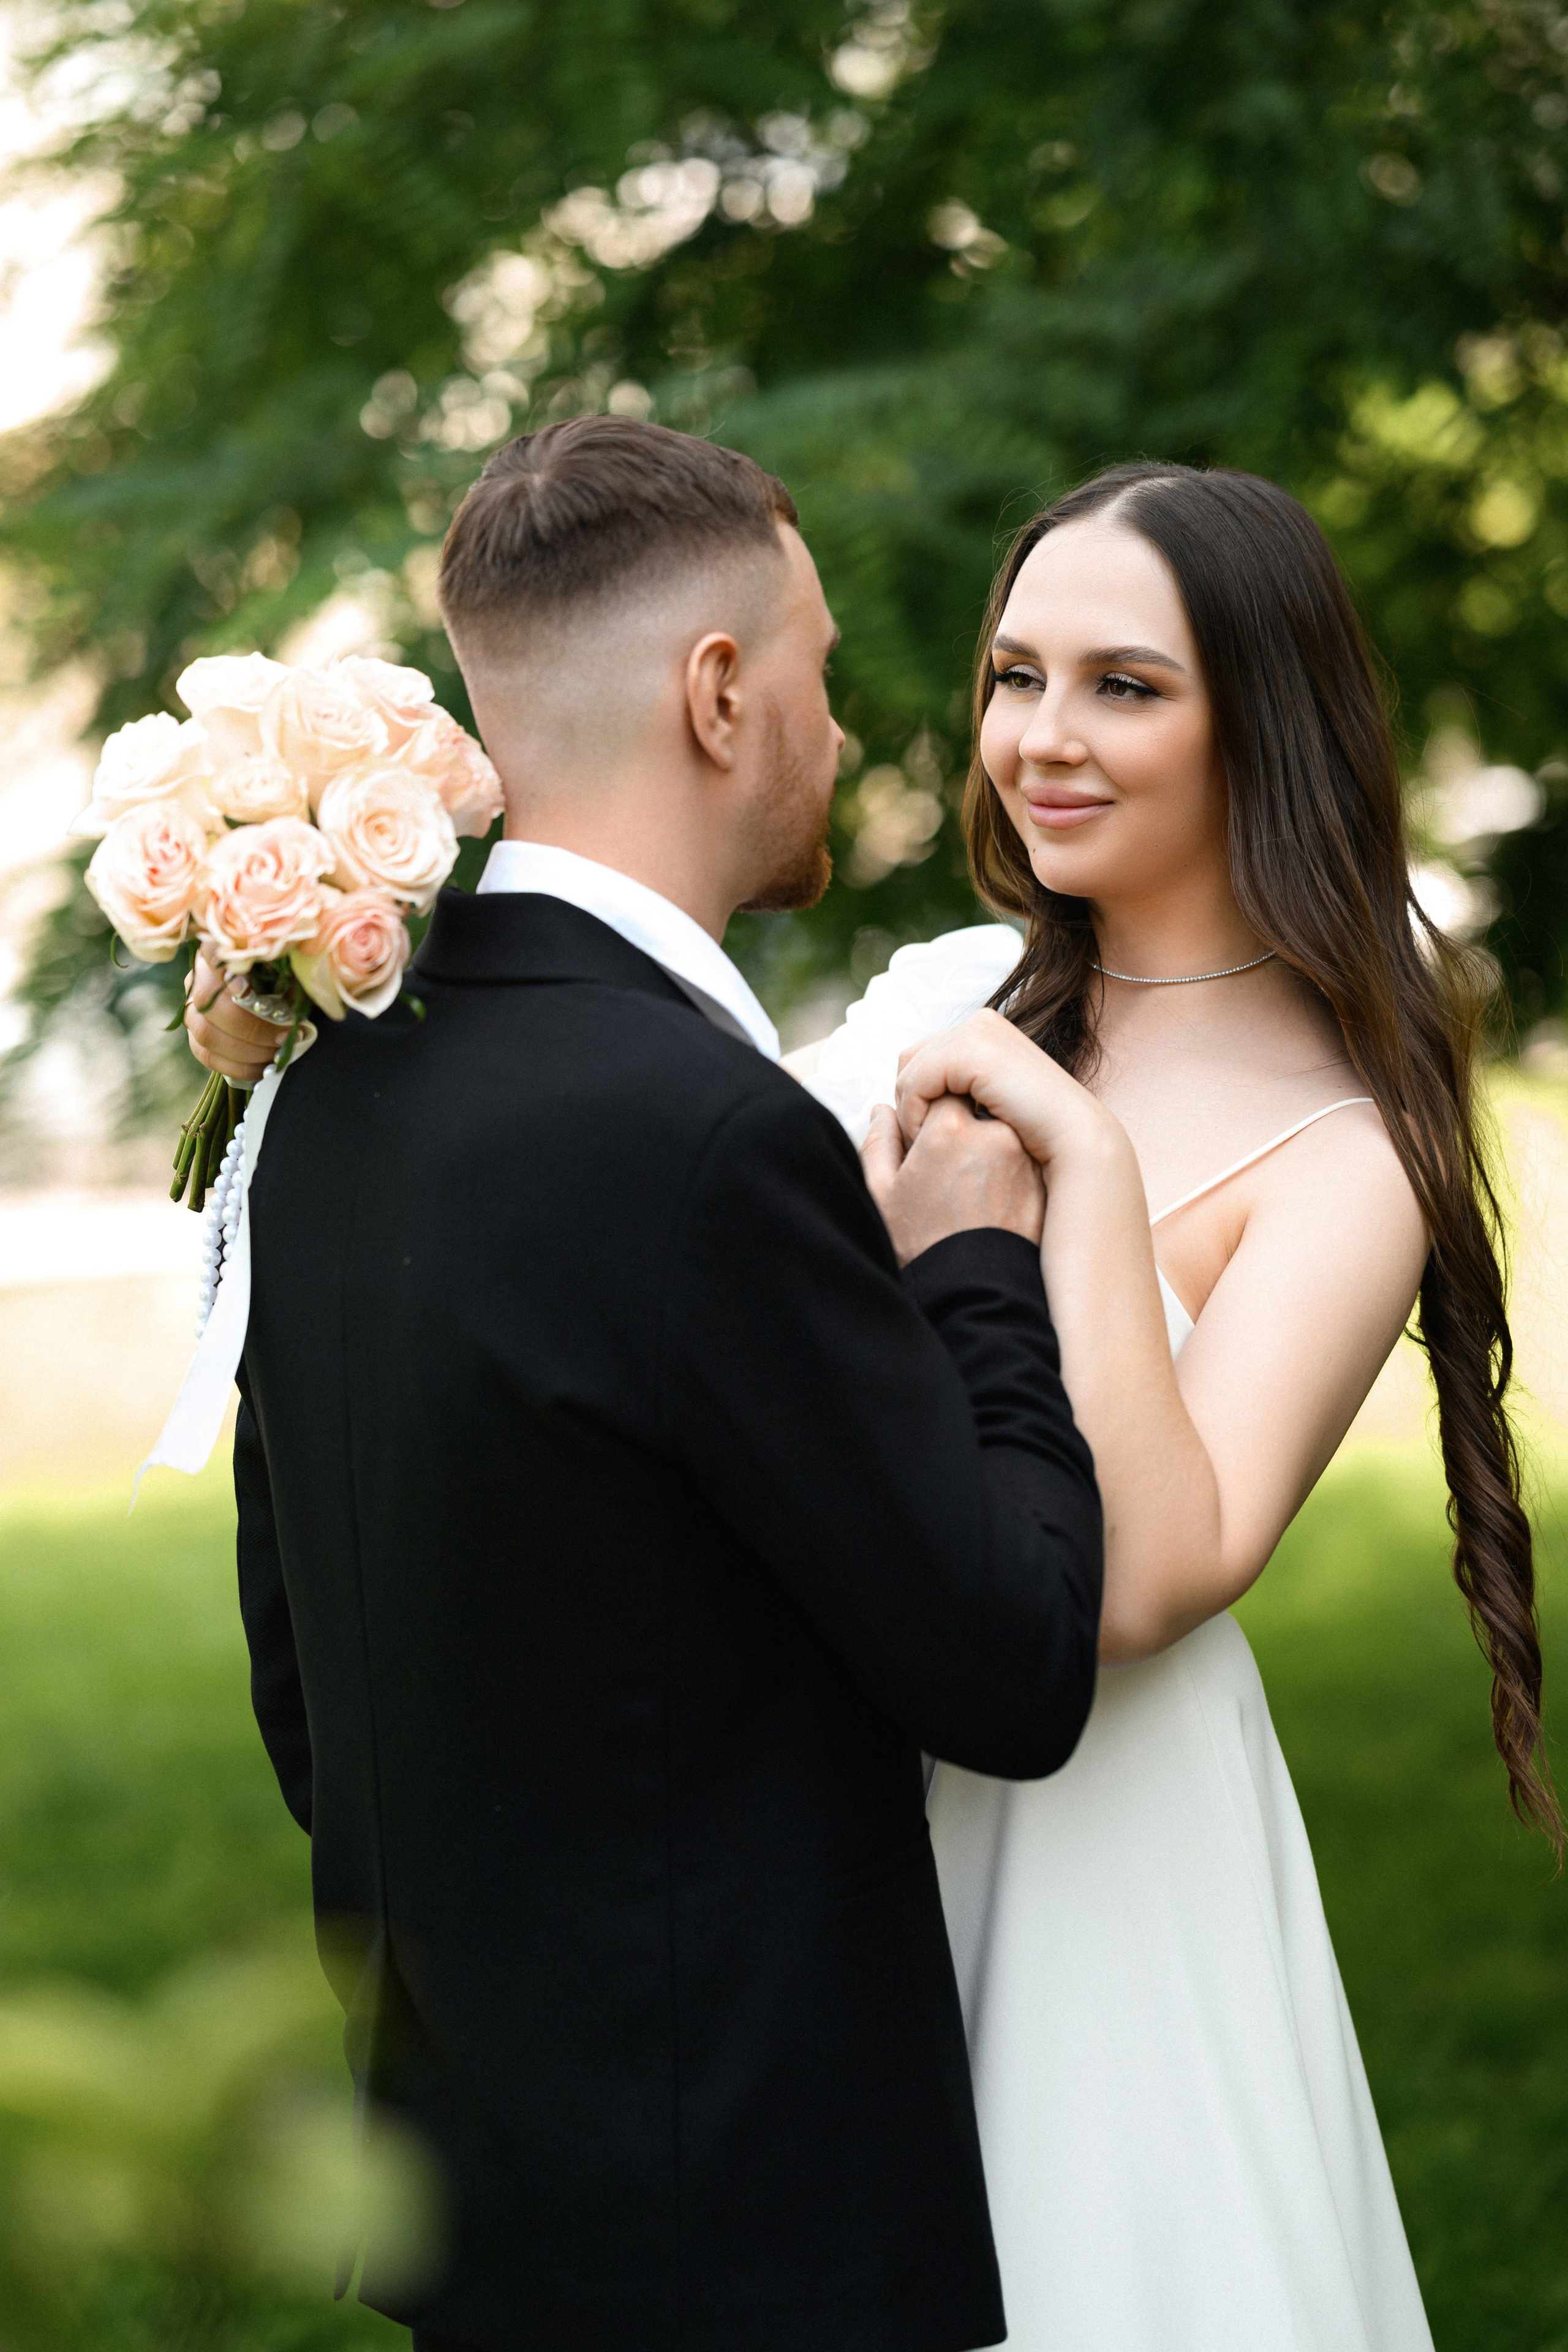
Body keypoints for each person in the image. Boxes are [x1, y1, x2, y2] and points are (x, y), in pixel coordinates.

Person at [187, 418, 1104, 2352]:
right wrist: (975, 1267)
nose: (843, 737)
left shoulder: (322, 1089)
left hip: (482, 2219)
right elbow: (1013, 1662)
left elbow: (309, 1692)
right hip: (746, 2236)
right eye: (825, 675)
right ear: (718, 692)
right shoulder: (705, 1137)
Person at [792, 461, 1558, 2350]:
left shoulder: (1348, 1145)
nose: (1041, 740)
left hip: (1103, 1847)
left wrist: (1088, 1165)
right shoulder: (947, 988)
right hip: (839, 1789)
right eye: (1013, 676)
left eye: (1124, 685)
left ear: (1261, 718)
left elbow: (1153, 1573)